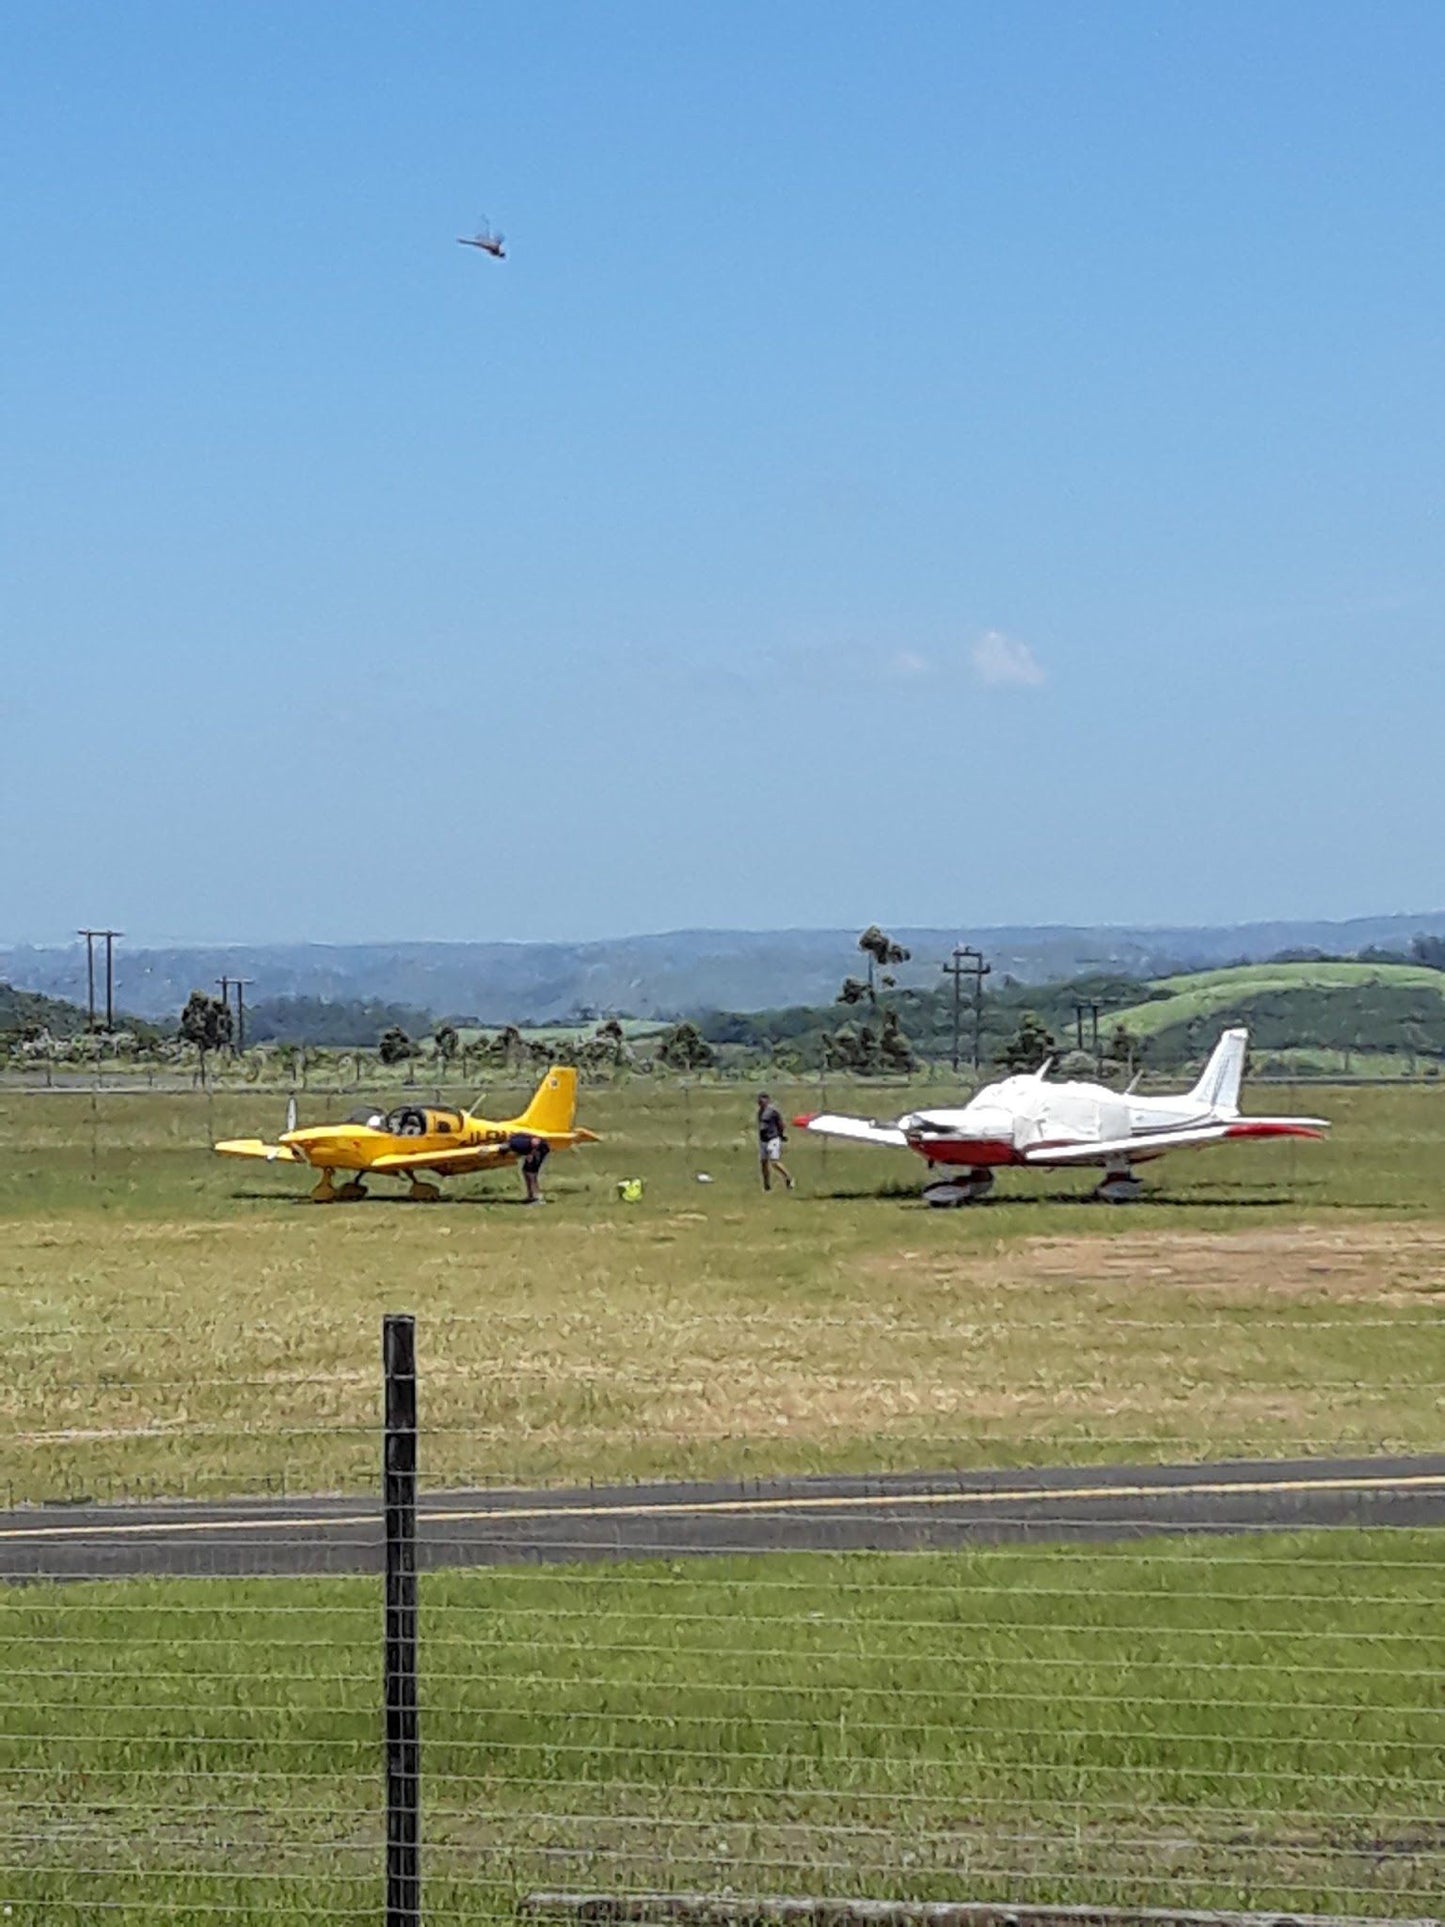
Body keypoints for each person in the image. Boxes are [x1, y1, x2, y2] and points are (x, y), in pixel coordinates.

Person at [755, 1091, 794, 1192]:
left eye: (762, 1099)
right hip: (763, 1140)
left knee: (774, 1162)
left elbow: (780, 1124)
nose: (760, 1102)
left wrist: (781, 1135)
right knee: (763, 1163)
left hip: (773, 1138)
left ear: (767, 1100)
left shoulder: (773, 1111)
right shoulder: (759, 1112)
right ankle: (766, 1185)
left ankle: (788, 1177)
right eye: (759, 1100)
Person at [507, 1131, 551, 1204]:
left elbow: (535, 1142)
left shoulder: (516, 1143)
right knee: (526, 1171)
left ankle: (537, 1197)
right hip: (536, 1148)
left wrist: (531, 1153)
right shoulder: (515, 1143)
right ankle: (531, 1196)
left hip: (540, 1149)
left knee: (531, 1173)